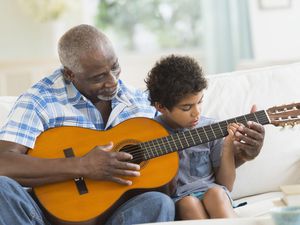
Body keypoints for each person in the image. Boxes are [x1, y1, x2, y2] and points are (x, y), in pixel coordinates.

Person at [0, 24, 264, 225]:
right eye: (99, 77)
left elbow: (186, 156)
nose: (112, 81)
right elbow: (3, 162)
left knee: (159, 202)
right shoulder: (39, 100)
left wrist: (241, 152)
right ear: (70, 73)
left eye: (115, 68)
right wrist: (82, 165)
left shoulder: (136, 100)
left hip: (117, 212)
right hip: (52, 215)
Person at [145, 55, 260, 220]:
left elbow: (226, 185)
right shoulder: (149, 133)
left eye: (199, 102)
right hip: (180, 200)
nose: (197, 112)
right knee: (189, 203)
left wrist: (228, 146)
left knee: (215, 193)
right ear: (161, 107)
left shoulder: (209, 127)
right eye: (187, 107)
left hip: (214, 194)